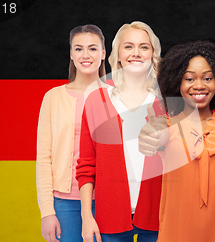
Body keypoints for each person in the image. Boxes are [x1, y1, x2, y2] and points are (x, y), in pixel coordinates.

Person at [139, 40, 215, 242]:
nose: (199, 85)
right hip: (178, 232)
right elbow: (157, 133)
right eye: (189, 79)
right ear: (176, 82)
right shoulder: (166, 124)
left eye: (207, 78)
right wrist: (150, 135)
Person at [76, 21, 163, 242]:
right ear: (118, 55)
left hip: (158, 218)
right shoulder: (96, 100)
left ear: (153, 54)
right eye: (129, 46)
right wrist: (87, 217)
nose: (136, 53)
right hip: (110, 219)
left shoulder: (167, 103)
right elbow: (86, 165)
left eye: (144, 47)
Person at [36, 24, 106, 242]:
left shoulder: (116, 97)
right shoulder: (53, 98)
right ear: (71, 54)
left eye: (93, 48)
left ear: (103, 54)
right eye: (78, 48)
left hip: (106, 201)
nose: (86, 55)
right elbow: (44, 158)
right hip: (64, 203)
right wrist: (47, 212)